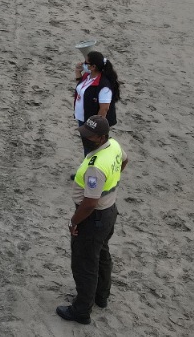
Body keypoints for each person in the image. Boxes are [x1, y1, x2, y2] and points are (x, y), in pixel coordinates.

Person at [56, 115, 128, 325]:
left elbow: (89, 203)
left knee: (85, 263)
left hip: (93, 217)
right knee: (102, 255)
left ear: (101, 137)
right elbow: (125, 160)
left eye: (90, 135)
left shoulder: (96, 166)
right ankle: (101, 296)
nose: (85, 138)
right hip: (109, 211)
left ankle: (81, 310)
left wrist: (74, 222)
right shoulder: (113, 145)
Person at [73, 51, 120, 153]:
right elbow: (82, 89)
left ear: (93, 67)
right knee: (87, 147)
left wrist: (96, 129)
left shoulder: (104, 86)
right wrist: (78, 72)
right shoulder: (88, 76)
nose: (83, 64)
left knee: (93, 150)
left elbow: (104, 109)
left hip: (92, 124)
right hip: (83, 118)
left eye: (86, 62)